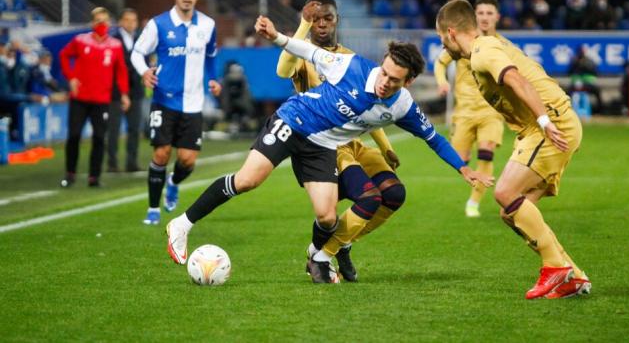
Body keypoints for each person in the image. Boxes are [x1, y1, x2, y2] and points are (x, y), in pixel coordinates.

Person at [165, 17, 493, 283]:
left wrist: (463, 168)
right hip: (292, 121)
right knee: (248, 180)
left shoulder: (403, 106)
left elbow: (433, 137)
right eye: (385, 73)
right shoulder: (349, 66)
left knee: (327, 216)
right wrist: (277, 35)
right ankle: (182, 223)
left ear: (406, 83)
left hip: (322, 146)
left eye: (394, 80)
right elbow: (307, 52)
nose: (385, 82)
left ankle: (318, 257)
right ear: (381, 63)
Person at [435, 0, 590, 300]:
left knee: (505, 193)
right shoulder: (481, 50)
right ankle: (573, 275)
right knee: (512, 212)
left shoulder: (484, 52)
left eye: (442, 38)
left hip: (549, 125)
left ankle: (554, 267)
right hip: (543, 127)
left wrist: (545, 121)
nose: (443, 45)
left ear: (451, 33)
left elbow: (516, 79)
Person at [276, 0, 405, 282]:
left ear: (337, 20)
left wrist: (386, 148)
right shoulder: (303, 52)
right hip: (325, 145)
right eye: (315, 19)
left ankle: (345, 242)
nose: (321, 24)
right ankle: (325, 252)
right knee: (369, 196)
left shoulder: (350, 57)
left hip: (355, 143)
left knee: (395, 194)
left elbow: (368, 108)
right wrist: (301, 26)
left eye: (327, 18)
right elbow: (282, 71)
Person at [131, 0, 222, 226]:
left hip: (194, 102)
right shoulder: (158, 24)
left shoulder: (207, 25)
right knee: (161, 154)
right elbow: (137, 53)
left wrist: (213, 79)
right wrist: (144, 71)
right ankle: (152, 208)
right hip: (164, 99)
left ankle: (173, 182)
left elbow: (212, 55)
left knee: (187, 160)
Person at [434, 0, 505, 217]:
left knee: (486, 152)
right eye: (480, 13)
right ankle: (476, 187)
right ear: (474, 16)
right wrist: (442, 81)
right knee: (460, 161)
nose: (484, 17)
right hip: (463, 112)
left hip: (489, 111)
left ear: (497, 17)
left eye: (489, 13)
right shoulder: (462, 42)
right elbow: (439, 62)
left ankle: (474, 202)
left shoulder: (500, 45)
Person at [59, 7, 131, 188]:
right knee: (74, 136)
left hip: (101, 100)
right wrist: (71, 78)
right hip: (80, 98)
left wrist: (124, 94)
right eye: (99, 21)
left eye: (105, 21)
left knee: (99, 138)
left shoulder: (115, 45)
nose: (102, 25)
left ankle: (94, 177)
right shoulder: (81, 41)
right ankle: (70, 173)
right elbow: (64, 56)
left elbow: (121, 71)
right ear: (92, 23)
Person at [106, 8, 144, 173]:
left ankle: (131, 162)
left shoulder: (141, 39)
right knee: (114, 129)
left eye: (133, 20)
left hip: (136, 91)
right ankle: (112, 163)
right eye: (127, 20)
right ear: (121, 21)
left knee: (135, 128)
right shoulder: (112, 39)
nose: (131, 23)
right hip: (115, 92)